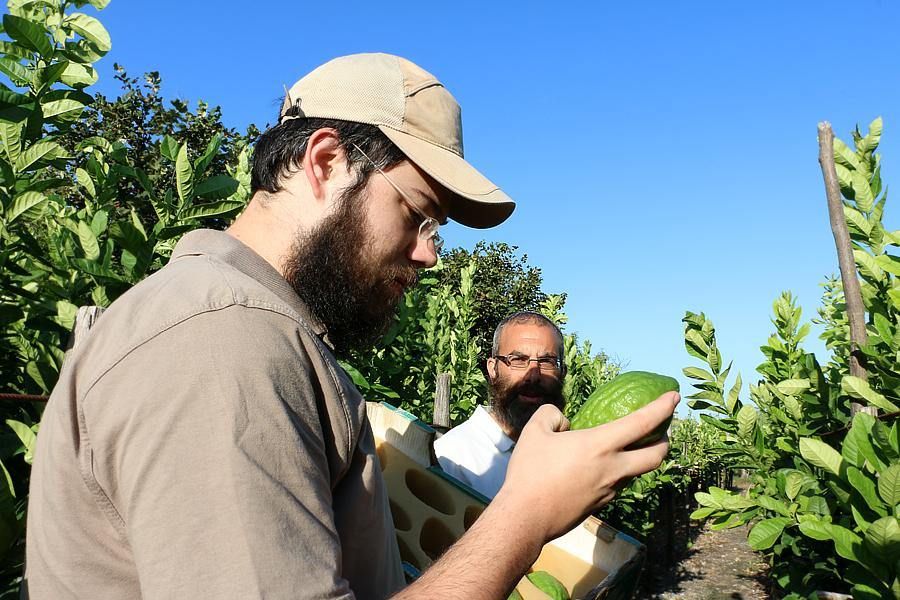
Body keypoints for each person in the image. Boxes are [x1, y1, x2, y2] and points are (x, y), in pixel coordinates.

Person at [24, 53, 678, 600]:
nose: (429, 254)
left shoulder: (250, 330)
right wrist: (526, 515)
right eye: (417, 213)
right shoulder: (224, 344)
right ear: (327, 161)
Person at [434, 312, 567, 498]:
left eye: (547, 362)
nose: (533, 376)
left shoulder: (567, 454)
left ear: (563, 372)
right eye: (518, 360)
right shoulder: (453, 458)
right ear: (492, 369)